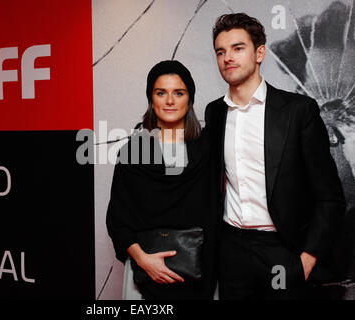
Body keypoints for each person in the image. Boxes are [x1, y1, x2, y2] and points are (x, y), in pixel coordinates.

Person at [204, 13, 346, 299]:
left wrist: (306, 260)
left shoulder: (298, 110)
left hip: (282, 250)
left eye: (238, 48)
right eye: (221, 51)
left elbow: (330, 197)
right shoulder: (214, 112)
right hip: (231, 250)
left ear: (259, 53)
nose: (227, 57)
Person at [106, 60, 218, 300]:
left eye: (179, 92)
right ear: (151, 99)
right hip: (144, 276)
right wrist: (144, 260)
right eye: (161, 93)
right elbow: (118, 221)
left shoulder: (209, 148)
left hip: (202, 275)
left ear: (189, 99)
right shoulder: (132, 153)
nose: (170, 101)